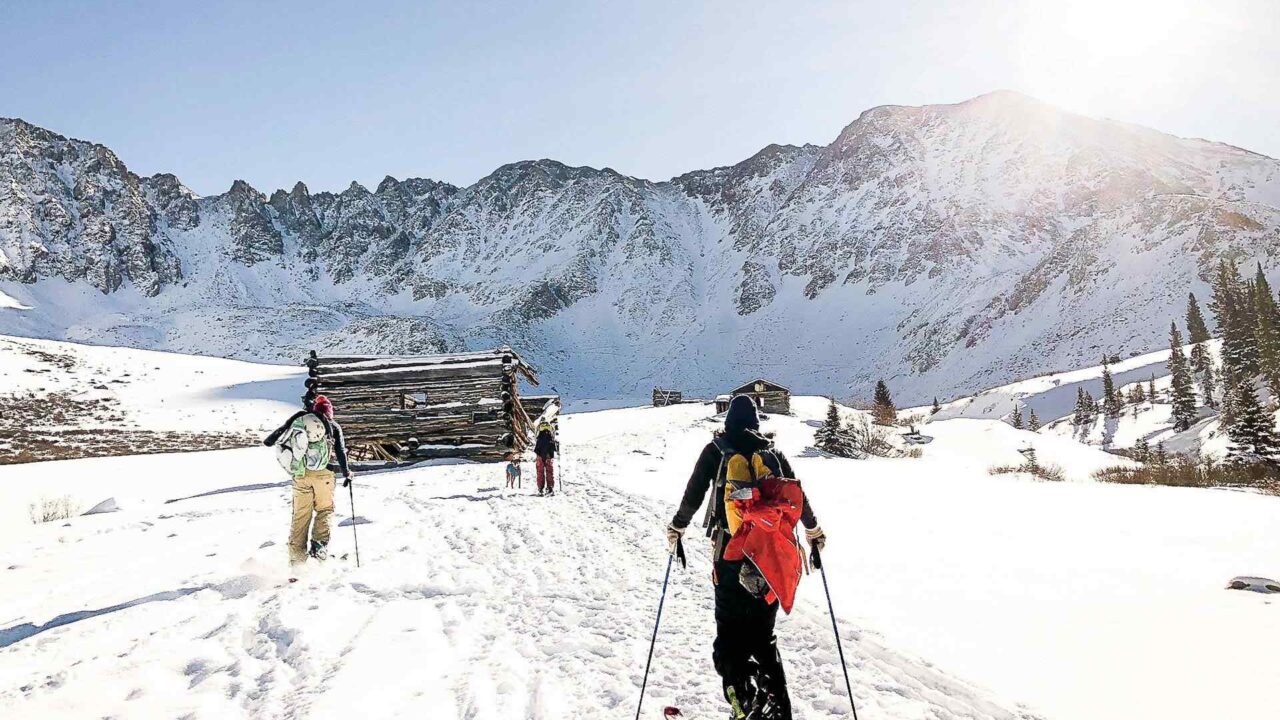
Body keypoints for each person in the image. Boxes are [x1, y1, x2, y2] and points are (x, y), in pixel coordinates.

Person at [666, 395, 826, 720]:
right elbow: (798, 496)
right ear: (756, 423)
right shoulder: (773, 454)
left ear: (727, 423)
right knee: (764, 640)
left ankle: (744, 702)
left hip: (729, 558)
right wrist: (813, 532)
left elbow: (693, 493)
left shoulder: (716, 451)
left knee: (729, 640)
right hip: (769, 561)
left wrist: (677, 527)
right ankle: (779, 712)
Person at [264, 395, 353, 565]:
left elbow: (273, 439)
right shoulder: (333, 426)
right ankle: (319, 545)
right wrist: (347, 472)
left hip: (301, 475)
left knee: (300, 516)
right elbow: (341, 451)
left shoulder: (300, 421)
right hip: (323, 475)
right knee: (325, 509)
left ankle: (296, 560)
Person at [534, 420, 557, 496]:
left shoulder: (539, 437)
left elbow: (537, 447)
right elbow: (553, 447)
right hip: (548, 455)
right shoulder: (550, 437)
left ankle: (540, 488)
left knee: (540, 471)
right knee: (549, 471)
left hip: (540, 455)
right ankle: (550, 487)